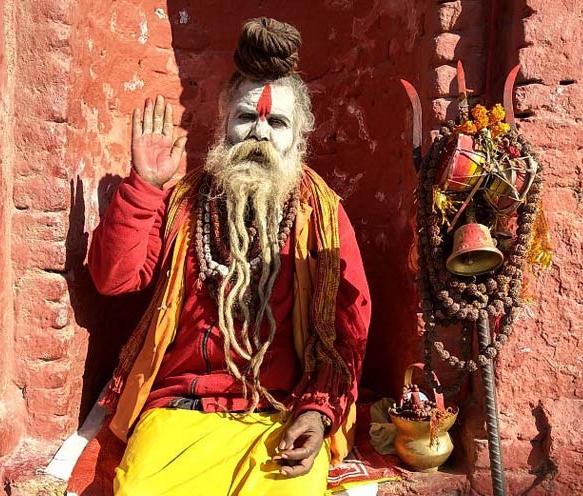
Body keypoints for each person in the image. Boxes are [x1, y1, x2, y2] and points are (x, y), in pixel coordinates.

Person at [88, 17, 371, 496]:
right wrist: (143, 189)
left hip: (279, 417)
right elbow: (113, 280)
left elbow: (349, 332)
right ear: (223, 125)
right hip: (178, 413)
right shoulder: (181, 204)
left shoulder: (321, 216)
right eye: (246, 118)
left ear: (298, 138)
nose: (259, 133)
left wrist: (317, 413)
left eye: (276, 122)